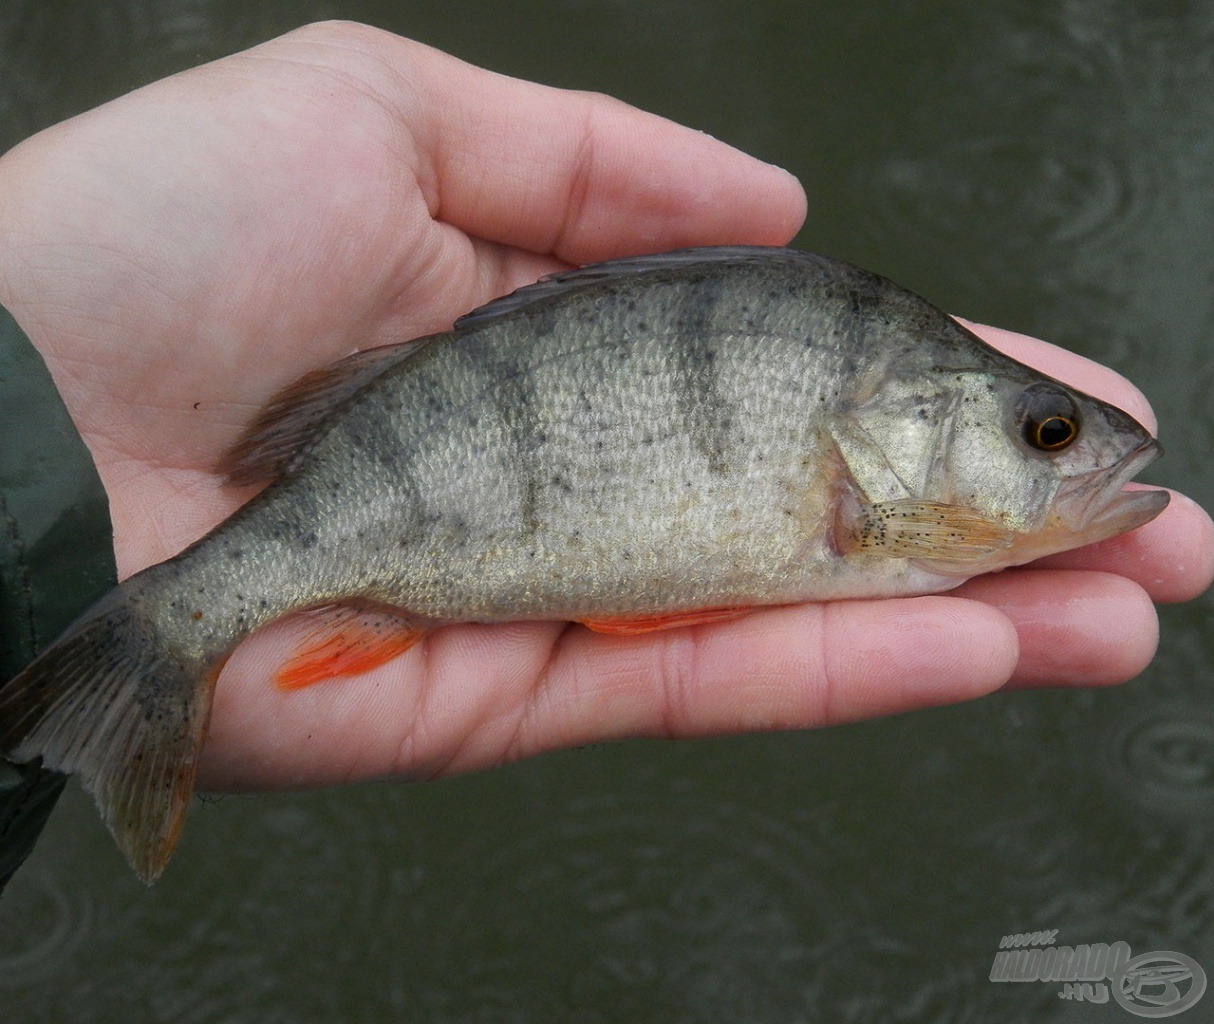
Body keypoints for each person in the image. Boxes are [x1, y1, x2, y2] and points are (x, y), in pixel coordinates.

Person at [0, 20, 1208, 794]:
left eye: (1045, 434)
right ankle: (155, 641)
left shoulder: (878, 447)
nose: (1067, 453)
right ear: (905, 419)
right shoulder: (857, 487)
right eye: (1042, 433)